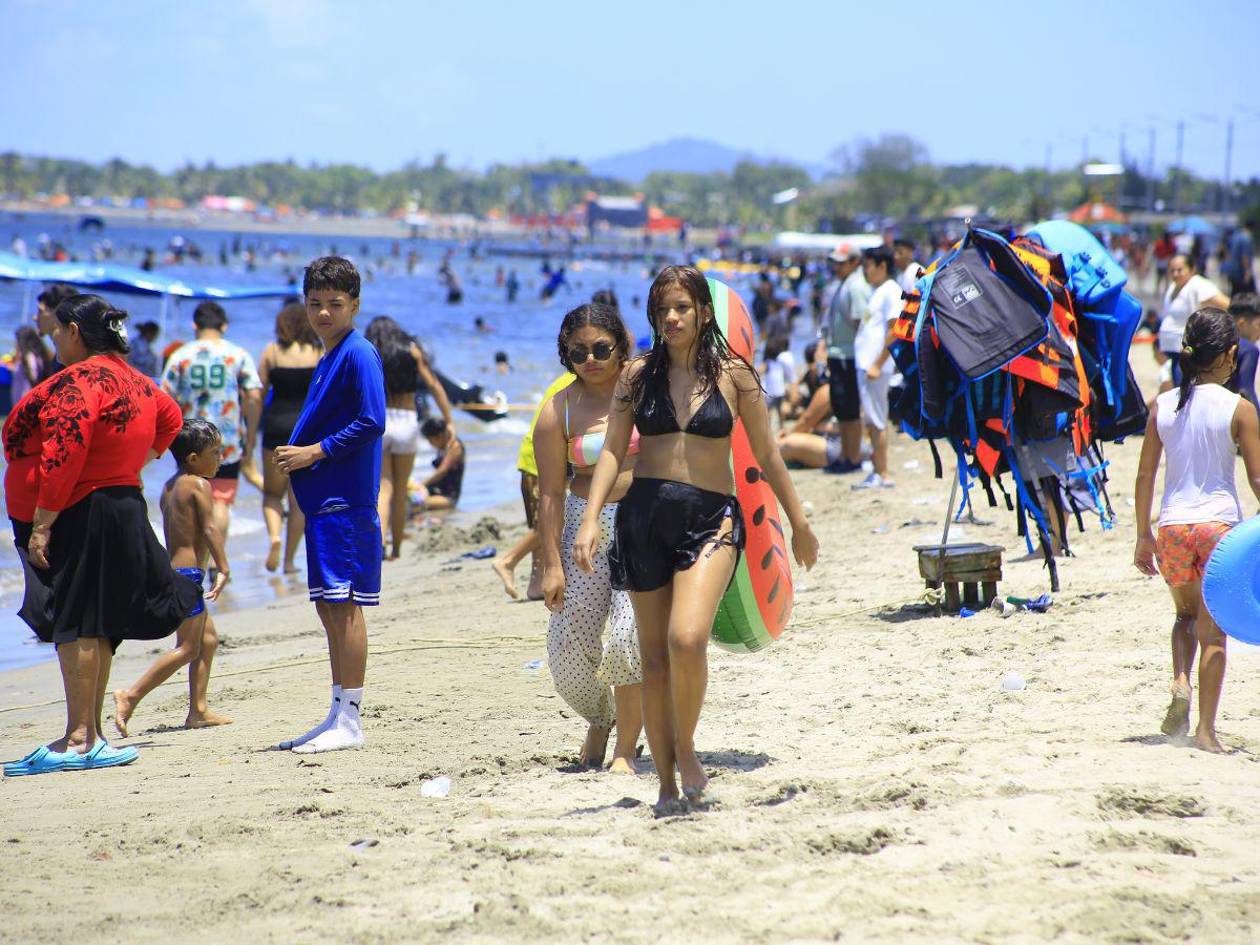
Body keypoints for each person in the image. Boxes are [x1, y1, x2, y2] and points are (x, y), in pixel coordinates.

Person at [574, 265, 819, 810]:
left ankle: (685, 748)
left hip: (711, 519)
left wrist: (798, 523)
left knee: (686, 639)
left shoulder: (736, 377)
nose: (672, 318)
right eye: (662, 310)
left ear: (704, 312)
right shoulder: (636, 376)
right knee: (653, 661)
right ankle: (665, 783)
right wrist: (590, 518)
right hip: (644, 519)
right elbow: (612, 450)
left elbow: (768, 454)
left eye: (682, 307)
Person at [1, 295, 196, 776]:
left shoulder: (78, 382)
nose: (53, 339)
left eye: (56, 331)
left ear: (73, 331)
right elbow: (172, 418)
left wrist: (42, 524)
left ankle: (79, 738)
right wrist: (133, 463)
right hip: (119, 503)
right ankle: (92, 734)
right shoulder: (137, 380)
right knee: (96, 621)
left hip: (79, 509)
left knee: (74, 620)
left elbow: (64, 451)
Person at [1133, 307, 1260, 754]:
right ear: (1227, 355)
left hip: (1172, 528)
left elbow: (1145, 475)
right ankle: (1206, 732)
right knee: (1214, 632)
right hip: (1218, 531)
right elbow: (1257, 478)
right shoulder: (1239, 408)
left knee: (1184, 617)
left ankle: (1180, 681)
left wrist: (1142, 535)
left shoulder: (1163, 405)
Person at [273, 257, 385, 754]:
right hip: (323, 501)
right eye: (315, 303)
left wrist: (314, 452)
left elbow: (373, 420)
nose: (323, 313)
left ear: (354, 306)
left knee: (345, 608)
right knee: (327, 606)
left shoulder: (358, 353)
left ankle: (352, 720)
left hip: (346, 500)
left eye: (335, 304)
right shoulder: (329, 355)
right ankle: (337, 711)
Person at [535, 303, 643, 771]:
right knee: (569, 646)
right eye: (578, 353)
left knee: (626, 634)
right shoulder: (557, 410)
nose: (591, 360)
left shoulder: (644, 386)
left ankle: (625, 749)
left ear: (620, 345)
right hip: (584, 529)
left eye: (601, 348)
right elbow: (549, 495)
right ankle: (602, 717)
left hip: (643, 520)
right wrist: (551, 565)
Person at [112, 419, 232, 736]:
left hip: (174, 572)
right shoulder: (198, 484)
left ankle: (198, 711)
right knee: (188, 647)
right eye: (215, 453)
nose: (220, 458)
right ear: (193, 458)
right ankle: (130, 695)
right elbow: (209, 529)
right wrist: (223, 568)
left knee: (208, 640)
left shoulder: (170, 485)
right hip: (188, 576)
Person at [162, 301, 263, 548]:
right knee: (220, 501)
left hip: (189, 439)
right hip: (227, 439)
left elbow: (163, 397)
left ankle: (194, 557)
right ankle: (215, 560)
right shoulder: (238, 354)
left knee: (189, 496)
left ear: (194, 325)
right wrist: (250, 437)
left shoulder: (181, 355)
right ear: (224, 326)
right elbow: (254, 396)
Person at [364, 315, 454, 559]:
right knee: (401, 488)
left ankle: (379, 544)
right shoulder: (411, 350)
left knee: (384, 489)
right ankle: (396, 548)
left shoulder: (370, 354)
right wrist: (449, 420)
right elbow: (434, 385)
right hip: (406, 422)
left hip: (380, 421)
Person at [491, 373, 574, 600]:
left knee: (542, 522)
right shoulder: (576, 381)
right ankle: (507, 561)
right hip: (539, 459)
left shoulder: (569, 377)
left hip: (535, 456)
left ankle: (536, 585)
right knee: (548, 522)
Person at [258, 301, 322, 573]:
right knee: (298, 500)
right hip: (306, 429)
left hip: (275, 427)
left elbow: (258, 395)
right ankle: (288, 561)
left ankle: (274, 536)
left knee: (273, 494)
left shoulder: (272, 352)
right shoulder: (318, 352)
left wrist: (250, 433)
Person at [854, 247, 902, 489]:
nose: (865, 271)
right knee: (871, 419)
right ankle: (877, 470)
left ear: (882, 266)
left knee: (877, 420)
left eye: (868, 266)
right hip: (867, 366)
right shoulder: (879, 291)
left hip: (875, 367)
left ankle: (882, 473)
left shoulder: (890, 290)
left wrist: (877, 363)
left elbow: (895, 330)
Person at [823, 248, 867, 472]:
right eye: (836, 263)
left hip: (849, 356)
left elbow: (862, 322)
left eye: (842, 263)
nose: (837, 267)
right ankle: (845, 455)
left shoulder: (856, 286)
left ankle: (853, 457)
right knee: (842, 410)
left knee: (850, 410)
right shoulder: (845, 284)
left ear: (854, 262)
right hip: (839, 354)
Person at [1158, 255, 1230, 384]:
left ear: (1192, 269)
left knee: (1185, 387)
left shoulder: (1198, 284)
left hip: (1188, 351)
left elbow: (1227, 304)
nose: (1175, 274)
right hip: (1172, 350)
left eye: (1179, 270)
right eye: (1172, 270)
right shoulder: (1173, 286)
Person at [416, 417, 464, 512]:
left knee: (417, 503)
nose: (430, 444)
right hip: (435, 491)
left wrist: (421, 484)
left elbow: (442, 470)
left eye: (431, 440)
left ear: (440, 435)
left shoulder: (454, 446)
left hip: (447, 497)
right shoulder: (444, 446)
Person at [10, 326, 53, 405]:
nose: (15, 342)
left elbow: (33, 377)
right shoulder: (37, 356)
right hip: (25, 402)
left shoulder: (28, 357)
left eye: (17, 339)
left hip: (24, 402)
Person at [1230, 294, 1260, 405]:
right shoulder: (1248, 350)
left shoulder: (1214, 344)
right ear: (1241, 324)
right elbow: (1246, 393)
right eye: (1259, 325)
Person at [1225, 222, 1256, 295]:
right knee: (1250, 296)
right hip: (1241, 273)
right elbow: (1245, 257)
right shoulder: (1247, 239)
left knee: (1235, 295)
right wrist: (1247, 272)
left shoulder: (1236, 237)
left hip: (1233, 271)